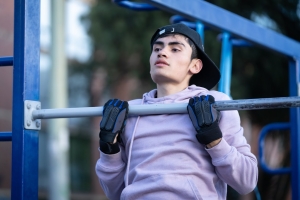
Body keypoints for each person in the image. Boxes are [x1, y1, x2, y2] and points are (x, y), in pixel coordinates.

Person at [95, 23, 258, 200]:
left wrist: (214, 140)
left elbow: (246, 182)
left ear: (195, 66)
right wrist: (109, 150)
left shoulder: (216, 103)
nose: (162, 52)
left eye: (175, 49)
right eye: (157, 48)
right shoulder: (131, 111)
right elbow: (115, 193)